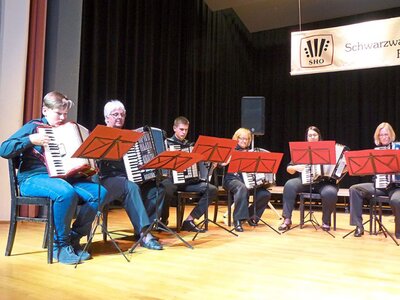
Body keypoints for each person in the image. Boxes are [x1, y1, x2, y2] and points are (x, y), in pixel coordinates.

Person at [0, 91, 107, 264]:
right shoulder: (33, 126)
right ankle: (60, 246)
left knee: (99, 192)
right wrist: (30, 139)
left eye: (65, 114)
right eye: (58, 113)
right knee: (65, 193)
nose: (63, 117)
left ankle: (74, 237)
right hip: (32, 178)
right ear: (45, 110)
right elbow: (4, 149)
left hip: (63, 178)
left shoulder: (65, 130)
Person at [97, 100, 163, 250]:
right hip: (107, 179)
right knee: (131, 187)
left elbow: (133, 162)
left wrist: (142, 166)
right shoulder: (100, 136)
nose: (119, 117)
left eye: (122, 114)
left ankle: (143, 227)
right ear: (107, 118)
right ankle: (145, 234)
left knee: (157, 189)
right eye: (115, 114)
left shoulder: (128, 136)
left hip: (127, 178)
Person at [161, 116, 218, 232]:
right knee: (165, 188)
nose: (184, 132)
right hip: (172, 180)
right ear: (174, 128)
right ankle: (163, 219)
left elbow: (201, 164)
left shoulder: (191, 145)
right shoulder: (166, 143)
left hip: (189, 182)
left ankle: (190, 220)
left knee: (211, 189)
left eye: (186, 130)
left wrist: (211, 164)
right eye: (181, 129)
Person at [278, 125, 338, 232]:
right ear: (307, 137)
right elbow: (289, 169)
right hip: (305, 181)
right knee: (289, 185)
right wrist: (295, 167)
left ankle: (326, 221)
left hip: (324, 183)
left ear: (319, 136)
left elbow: (338, 168)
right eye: (310, 135)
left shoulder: (328, 149)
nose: (312, 137)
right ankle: (287, 219)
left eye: (315, 135)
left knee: (330, 192)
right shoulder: (302, 150)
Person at [349, 122, 400, 238]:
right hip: (380, 186)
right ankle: (358, 226)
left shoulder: (398, 148)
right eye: (381, 135)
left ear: (391, 135)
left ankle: (399, 231)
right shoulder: (376, 151)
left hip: (396, 187)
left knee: (397, 201)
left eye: (386, 134)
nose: (384, 137)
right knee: (354, 189)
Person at [222, 128, 272, 232]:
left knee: (265, 194)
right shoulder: (230, 149)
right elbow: (220, 164)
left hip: (248, 182)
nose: (244, 141)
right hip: (232, 180)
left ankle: (251, 216)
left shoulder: (251, 152)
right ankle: (238, 220)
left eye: (247, 139)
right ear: (236, 138)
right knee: (242, 188)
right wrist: (228, 159)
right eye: (242, 138)